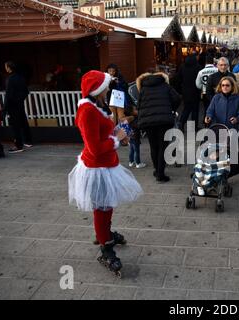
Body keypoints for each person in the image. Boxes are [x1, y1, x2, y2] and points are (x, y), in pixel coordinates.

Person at [68, 70, 142, 276]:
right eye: (106, 86)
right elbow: (94, 148)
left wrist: (119, 134)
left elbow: (102, 134)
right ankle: (106, 248)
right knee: (102, 208)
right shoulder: (87, 111)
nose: (108, 89)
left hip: (106, 165)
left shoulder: (95, 106)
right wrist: (117, 138)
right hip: (96, 168)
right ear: (97, 90)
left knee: (107, 205)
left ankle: (105, 233)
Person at [137, 72, 181, 182]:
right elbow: (177, 98)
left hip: (148, 122)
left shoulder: (144, 89)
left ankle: (157, 170)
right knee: (163, 146)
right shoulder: (166, 86)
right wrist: (172, 109)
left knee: (153, 146)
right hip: (164, 121)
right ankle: (160, 174)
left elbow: (138, 105)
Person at [3, 61, 32, 153]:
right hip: (20, 104)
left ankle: (18, 145)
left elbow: (8, 95)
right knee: (23, 122)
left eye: (6, 67)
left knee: (15, 125)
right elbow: (26, 92)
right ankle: (28, 141)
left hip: (12, 105)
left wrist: (5, 108)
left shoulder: (10, 79)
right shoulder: (20, 77)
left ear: (9, 68)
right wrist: (20, 99)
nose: (5, 68)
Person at [176, 55, 202, 131]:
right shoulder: (198, 67)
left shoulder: (182, 67)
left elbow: (178, 79)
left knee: (186, 109)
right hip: (195, 91)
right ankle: (194, 127)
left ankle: (181, 124)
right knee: (195, 110)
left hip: (186, 91)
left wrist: (180, 90)